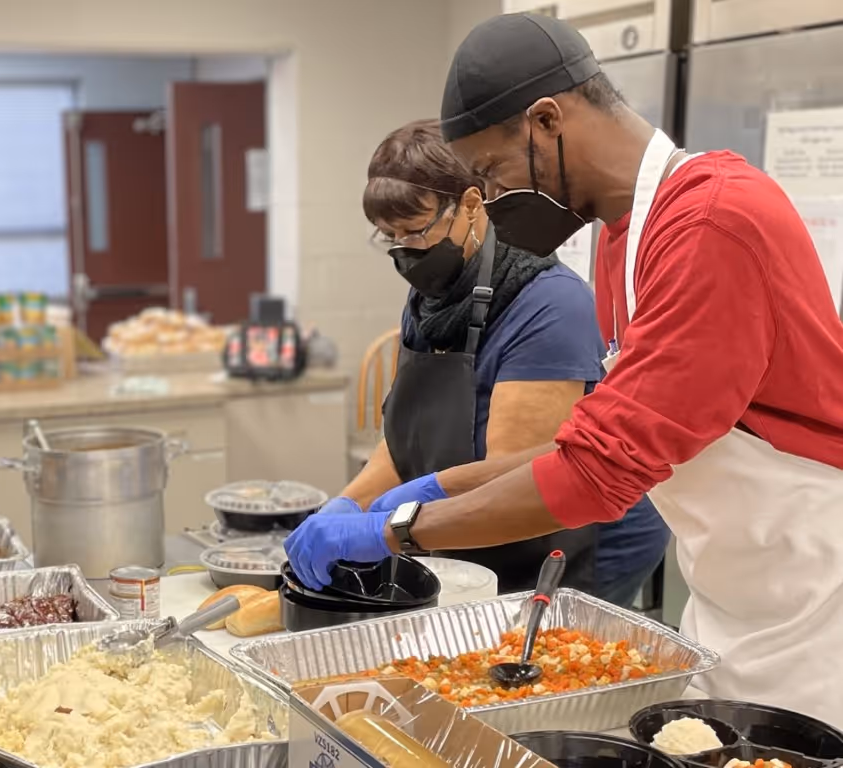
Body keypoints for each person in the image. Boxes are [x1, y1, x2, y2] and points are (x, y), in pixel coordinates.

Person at [286, 13, 843, 724]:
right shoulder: (622, 238)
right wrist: (426, 488)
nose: (486, 199)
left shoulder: (708, 224)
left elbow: (597, 476)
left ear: (546, 121)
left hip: (815, 600)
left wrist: (396, 529)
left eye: (489, 172)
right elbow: (579, 442)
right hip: (740, 595)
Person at [322, 118, 668, 603]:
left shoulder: (549, 305)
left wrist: (395, 525)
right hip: (477, 521)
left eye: (414, 230)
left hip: (575, 538)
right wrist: (344, 508)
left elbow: (511, 476)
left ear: (469, 204)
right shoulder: (433, 298)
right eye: (388, 236)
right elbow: (404, 444)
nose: (404, 251)